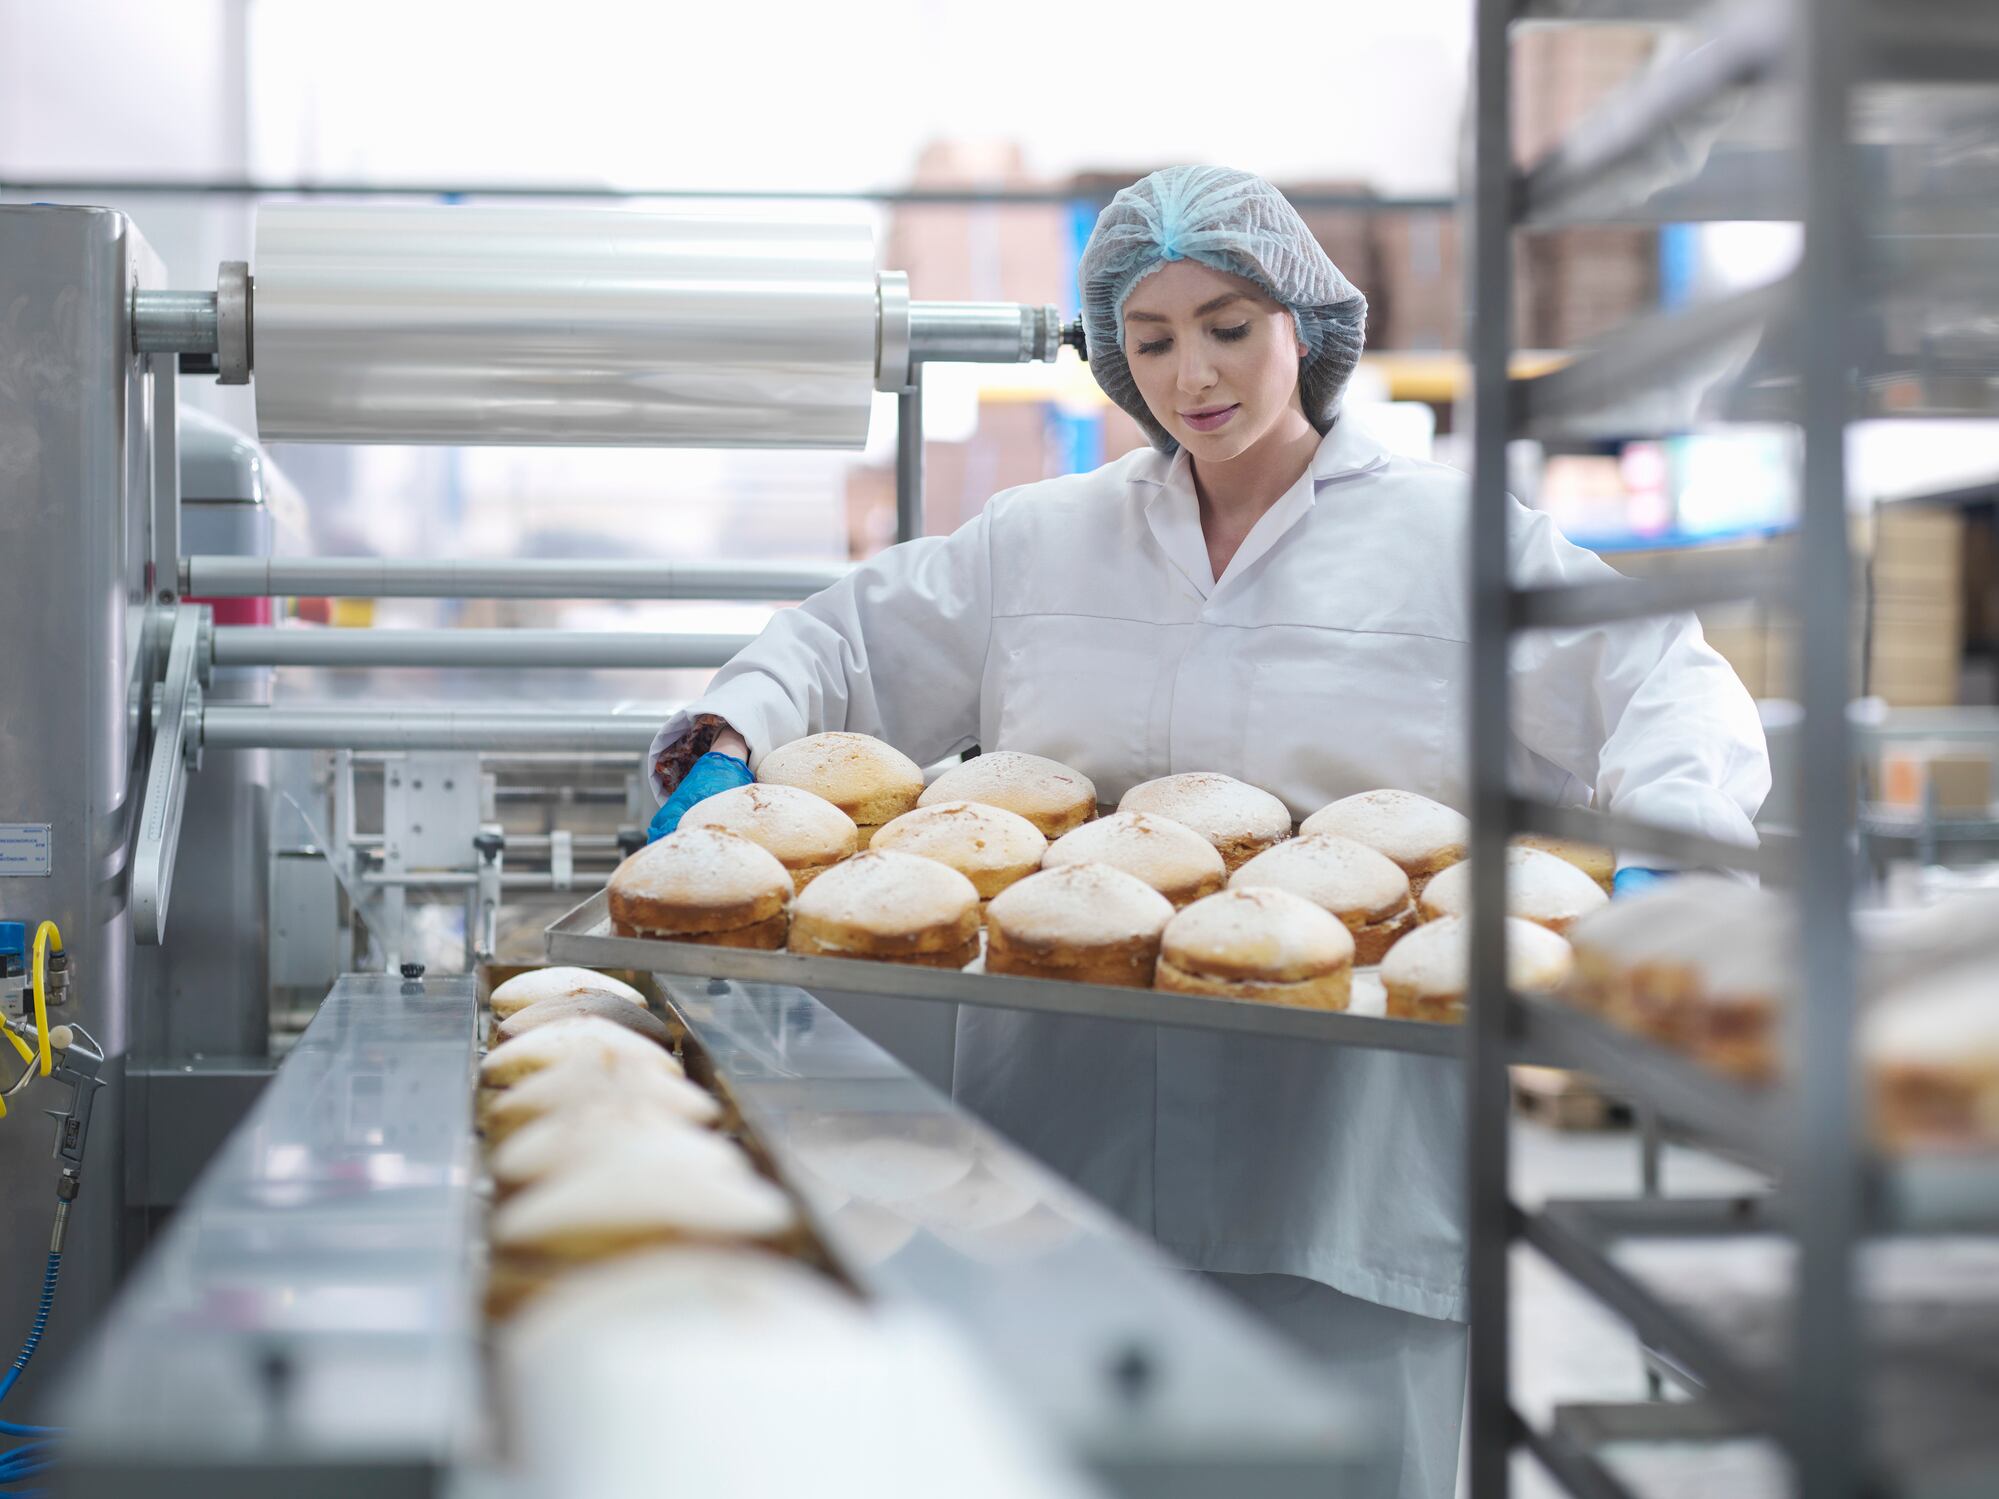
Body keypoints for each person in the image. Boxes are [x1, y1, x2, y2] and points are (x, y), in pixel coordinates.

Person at [643, 165, 1769, 1499]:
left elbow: (1661, 679)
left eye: (1229, 327)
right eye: (1154, 339)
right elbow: (833, 645)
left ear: (1305, 322)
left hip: (1342, 1170)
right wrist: (724, 751)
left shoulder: (1442, 544)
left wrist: (1662, 864)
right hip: (1054, 1157)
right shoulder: (1042, 544)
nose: (1195, 375)